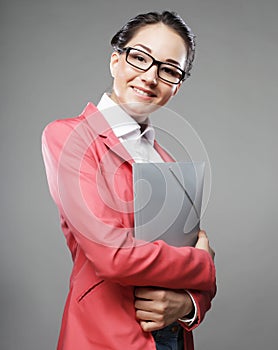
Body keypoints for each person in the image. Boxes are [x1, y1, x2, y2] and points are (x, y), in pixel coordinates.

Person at [42, 10, 216, 350]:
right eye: (140, 58)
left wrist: (189, 305)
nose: (150, 77)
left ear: (177, 86)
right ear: (116, 62)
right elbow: (112, 256)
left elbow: (194, 262)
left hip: (173, 339)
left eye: (169, 69)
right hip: (105, 336)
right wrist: (203, 264)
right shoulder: (69, 137)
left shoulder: (167, 159)